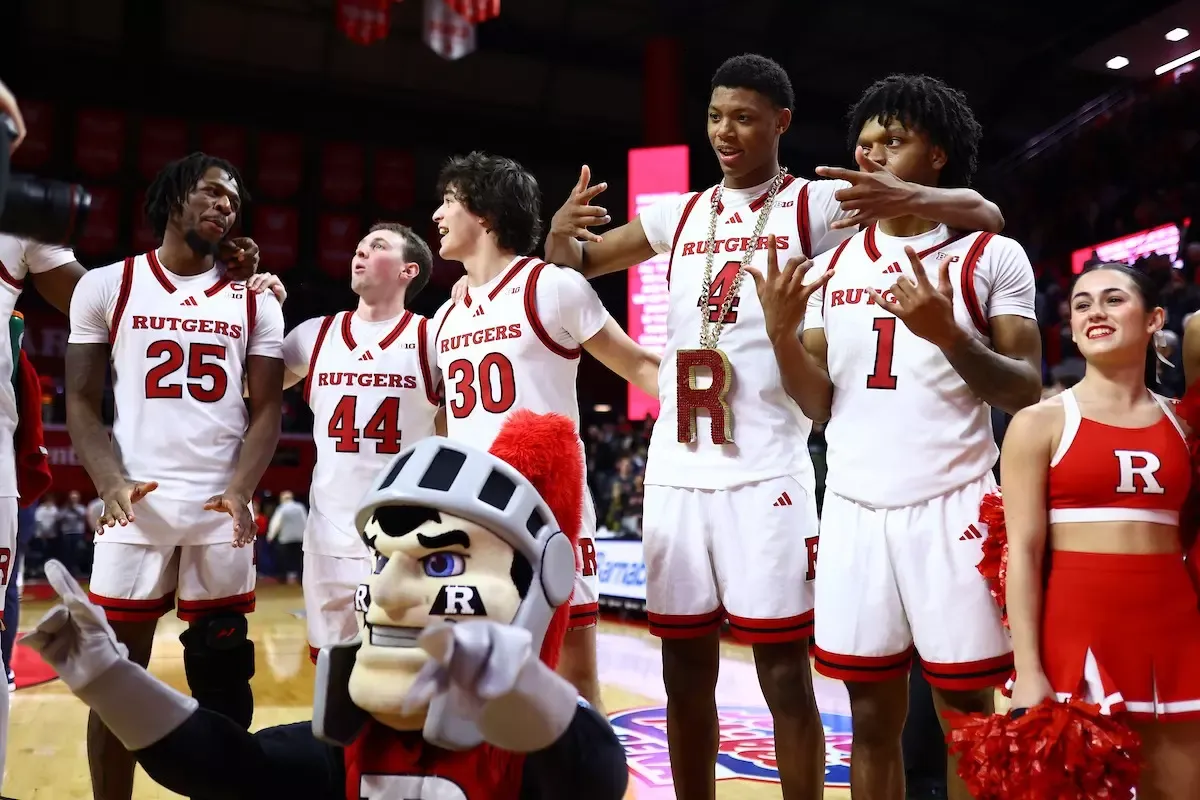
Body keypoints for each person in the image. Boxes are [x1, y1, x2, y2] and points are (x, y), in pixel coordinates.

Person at [539, 54, 1008, 798]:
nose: (725, 132)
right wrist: (560, 236)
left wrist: (911, 190)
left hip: (767, 471)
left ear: (781, 123)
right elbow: (575, 268)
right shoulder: (677, 213)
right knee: (682, 674)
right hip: (676, 470)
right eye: (715, 116)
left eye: (744, 118)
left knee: (785, 676)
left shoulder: (813, 203)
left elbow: (981, 214)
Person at [24, 411, 629, 800]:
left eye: (440, 563)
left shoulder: (542, 735)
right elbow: (233, 767)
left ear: (534, 587)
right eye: (382, 561)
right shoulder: (354, 739)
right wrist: (109, 679)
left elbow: (594, 773)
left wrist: (521, 687)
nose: (386, 592)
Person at [793, 74, 1042, 800]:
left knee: (968, 715)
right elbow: (817, 406)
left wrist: (949, 337)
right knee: (870, 719)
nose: (871, 155)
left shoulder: (990, 254)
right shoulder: (829, 265)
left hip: (953, 505)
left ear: (936, 156)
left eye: (893, 141)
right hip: (853, 510)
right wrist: (780, 335)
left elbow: (1023, 389)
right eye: (865, 143)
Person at [65, 152, 285, 800]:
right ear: (172, 197)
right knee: (116, 679)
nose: (225, 206)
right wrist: (108, 481)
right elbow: (80, 400)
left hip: (220, 505)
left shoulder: (256, 300)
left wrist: (241, 489)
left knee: (223, 674)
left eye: (234, 201)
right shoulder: (106, 285)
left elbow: (268, 409)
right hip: (136, 501)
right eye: (212, 192)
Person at [431, 151, 660, 712]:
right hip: (472, 513)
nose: (437, 214)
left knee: (573, 678)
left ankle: (592, 764)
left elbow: (639, 366)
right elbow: (444, 421)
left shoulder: (552, 287)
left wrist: (722, 402)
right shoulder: (444, 317)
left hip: (549, 508)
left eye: (449, 202)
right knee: (483, 679)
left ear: (484, 214)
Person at [1004, 263, 1200, 799]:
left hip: (1177, 636)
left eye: (1114, 300)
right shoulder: (1038, 423)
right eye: (1082, 304)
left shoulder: (1185, 424)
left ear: (1154, 319)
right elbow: (1022, 552)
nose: (1096, 312)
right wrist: (1028, 668)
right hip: (1076, 639)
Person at [279, 222, 441, 661]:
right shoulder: (314, 335)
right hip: (328, 536)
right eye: (359, 246)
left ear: (408, 270)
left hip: (406, 539)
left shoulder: (432, 339)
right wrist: (255, 310)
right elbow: (245, 387)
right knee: (331, 670)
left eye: (377, 246)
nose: (361, 252)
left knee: (400, 670)